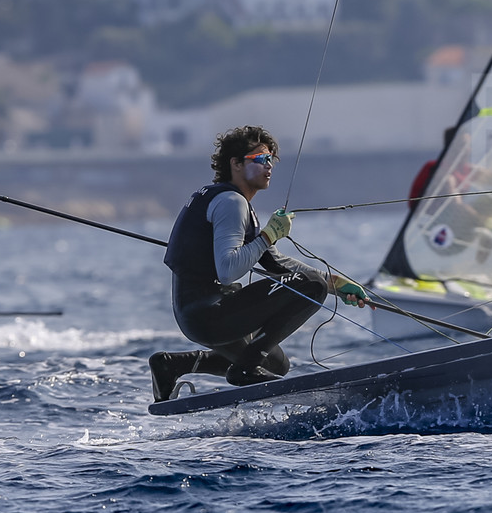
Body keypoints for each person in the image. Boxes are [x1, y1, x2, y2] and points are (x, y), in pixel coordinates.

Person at [148, 125, 369, 402]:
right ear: (236, 164)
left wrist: (334, 283)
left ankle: (172, 364)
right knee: (311, 287)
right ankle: (245, 369)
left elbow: (274, 261)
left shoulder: (225, 198)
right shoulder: (231, 202)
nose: (269, 166)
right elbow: (228, 271)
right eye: (261, 159)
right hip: (208, 314)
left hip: (196, 316)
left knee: (276, 364)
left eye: (271, 160)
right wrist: (269, 235)